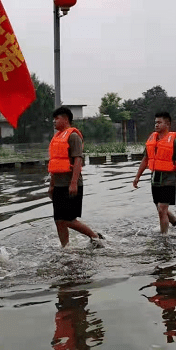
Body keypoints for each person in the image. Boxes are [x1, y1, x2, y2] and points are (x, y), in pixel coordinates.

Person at [47, 106, 104, 247]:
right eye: (53, 119)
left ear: (66, 119)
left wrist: (73, 183)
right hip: (58, 185)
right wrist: (51, 185)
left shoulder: (73, 136)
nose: (54, 122)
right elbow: (54, 164)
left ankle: (95, 237)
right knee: (58, 220)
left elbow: (78, 161)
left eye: (57, 119)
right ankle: (65, 248)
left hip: (71, 184)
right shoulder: (56, 138)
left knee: (68, 219)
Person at [133, 111, 176, 234]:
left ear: (167, 124)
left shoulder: (174, 142)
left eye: (159, 122)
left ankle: (164, 239)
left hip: (169, 178)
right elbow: (145, 159)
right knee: (160, 208)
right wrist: (137, 177)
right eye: (155, 122)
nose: (156, 125)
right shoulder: (151, 139)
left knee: (162, 209)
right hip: (155, 178)